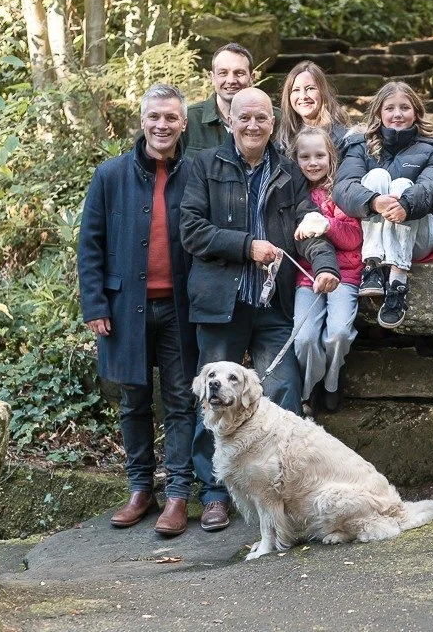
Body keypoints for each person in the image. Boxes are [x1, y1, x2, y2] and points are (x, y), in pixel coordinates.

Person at [180, 87, 341, 532]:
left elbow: (312, 227)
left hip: (273, 305)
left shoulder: (289, 172)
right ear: (228, 119)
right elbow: (191, 230)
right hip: (221, 304)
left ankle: (285, 491)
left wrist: (326, 267)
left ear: (273, 123)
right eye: (244, 117)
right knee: (211, 396)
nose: (253, 126)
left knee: (285, 392)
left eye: (262, 119)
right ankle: (214, 492)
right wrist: (245, 247)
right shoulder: (204, 166)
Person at [78, 83, 198, 537]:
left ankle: (179, 495)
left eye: (171, 117)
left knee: (182, 399)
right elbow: (90, 244)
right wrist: (95, 303)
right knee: (132, 400)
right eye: (155, 117)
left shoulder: (197, 172)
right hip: (124, 307)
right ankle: (140, 489)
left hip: (181, 307)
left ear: (183, 123)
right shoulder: (110, 176)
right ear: (143, 121)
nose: (162, 125)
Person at [333, 81, 433, 329]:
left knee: (402, 184)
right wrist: (374, 201)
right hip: (374, 233)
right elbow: (344, 187)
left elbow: (432, 187)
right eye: (390, 108)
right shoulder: (360, 145)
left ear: (416, 112)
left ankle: (397, 278)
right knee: (377, 177)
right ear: (379, 113)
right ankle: (373, 265)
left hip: (419, 235)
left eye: (405, 108)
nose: (397, 114)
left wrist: (406, 204)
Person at [289, 126, 363, 415]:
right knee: (305, 337)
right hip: (306, 276)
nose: (312, 162)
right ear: (295, 160)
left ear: (331, 157)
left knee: (338, 333)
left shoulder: (340, 192)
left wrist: (325, 224)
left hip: (344, 275)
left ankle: (332, 382)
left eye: (319, 155)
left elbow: (353, 238)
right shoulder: (294, 194)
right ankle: (309, 389)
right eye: (304, 157)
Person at [183, 43, 280, 157]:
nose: (231, 80)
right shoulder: (189, 119)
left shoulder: (278, 120)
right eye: (223, 73)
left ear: (252, 78)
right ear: (212, 78)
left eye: (239, 73)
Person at [275, 60, 351, 152]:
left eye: (310, 88)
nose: (303, 96)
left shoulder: (343, 138)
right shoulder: (283, 139)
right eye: (296, 90)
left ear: (323, 93)